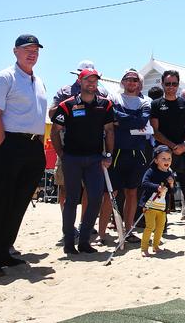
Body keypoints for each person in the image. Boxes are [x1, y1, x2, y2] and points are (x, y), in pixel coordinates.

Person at [0, 34, 47, 277]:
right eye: (27, 49)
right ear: (15, 51)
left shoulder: (39, 81)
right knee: (0, 202)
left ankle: (4, 251)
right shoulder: (5, 77)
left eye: (36, 49)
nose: (32, 53)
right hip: (10, 144)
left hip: (33, 147)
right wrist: (2, 146)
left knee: (19, 203)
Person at [50, 69, 114, 254]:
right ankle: (69, 241)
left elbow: (109, 131)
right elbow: (55, 131)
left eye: (94, 80)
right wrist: (62, 154)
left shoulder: (105, 105)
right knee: (71, 200)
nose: (91, 83)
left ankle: (85, 240)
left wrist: (108, 155)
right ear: (80, 81)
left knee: (95, 198)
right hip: (72, 158)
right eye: (88, 80)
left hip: (95, 159)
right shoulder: (67, 105)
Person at [150, 70, 185, 235]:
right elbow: (155, 131)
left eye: (174, 84)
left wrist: (183, 144)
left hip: (181, 152)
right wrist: (171, 146)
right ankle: (161, 227)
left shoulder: (184, 103)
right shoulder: (156, 104)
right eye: (168, 84)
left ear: (178, 84)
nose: (171, 87)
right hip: (163, 152)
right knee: (162, 190)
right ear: (162, 84)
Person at [99, 69, 151, 244]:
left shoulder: (145, 102)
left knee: (131, 192)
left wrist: (122, 121)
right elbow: (113, 116)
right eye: (127, 79)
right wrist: (130, 120)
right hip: (117, 152)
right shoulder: (114, 98)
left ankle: (128, 230)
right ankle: (102, 234)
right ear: (122, 82)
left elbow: (142, 122)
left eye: (135, 80)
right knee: (109, 194)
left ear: (139, 83)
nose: (131, 82)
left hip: (137, 153)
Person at [140, 145, 175, 257]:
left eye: (169, 158)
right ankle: (144, 248)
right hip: (150, 205)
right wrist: (156, 187)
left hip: (162, 207)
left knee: (160, 227)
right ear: (156, 160)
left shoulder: (169, 174)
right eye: (163, 158)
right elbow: (144, 183)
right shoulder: (151, 171)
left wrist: (171, 184)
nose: (167, 161)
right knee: (150, 227)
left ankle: (156, 246)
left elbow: (171, 192)